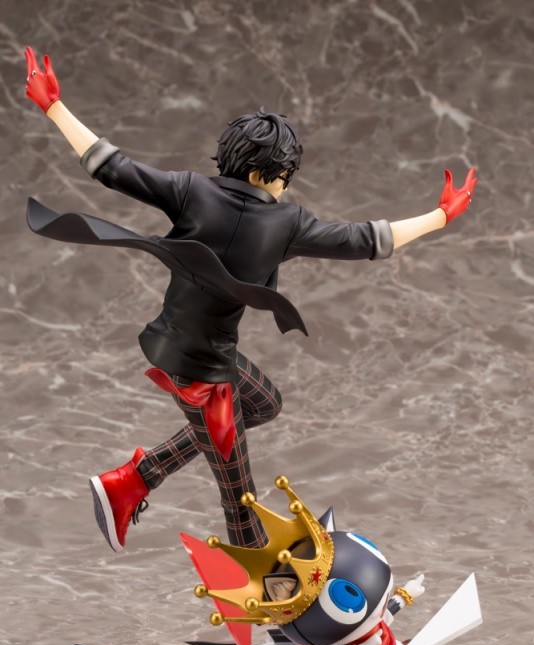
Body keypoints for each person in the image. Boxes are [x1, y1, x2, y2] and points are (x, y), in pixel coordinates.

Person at [24, 47, 477, 552]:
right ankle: (271, 589)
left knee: (263, 403)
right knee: (241, 500)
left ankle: (135, 478)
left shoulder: (191, 190)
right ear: (272, 173)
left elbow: (111, 167)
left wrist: (53, 106)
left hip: (182, 347)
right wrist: (439, 217)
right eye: (285, 175)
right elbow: (365, 240)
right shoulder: (288, 223)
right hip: (205, 380)